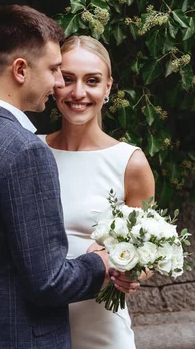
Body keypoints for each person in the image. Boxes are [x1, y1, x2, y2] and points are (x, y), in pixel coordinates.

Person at [0, 6, 139, 349]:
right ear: (20, 69)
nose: (58, 82)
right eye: (53, 69)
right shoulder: (25, 151)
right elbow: (48, 283)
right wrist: (101, 262)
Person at [38, 35, 156, 348]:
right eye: (67, 79)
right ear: (53, 81)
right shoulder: (30, 150)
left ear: (107, 87)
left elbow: (148, 249)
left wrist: (132, 274)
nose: (78, 92)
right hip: (34, 328)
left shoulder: (130, 163)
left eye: (92, 80)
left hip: (102, 330)